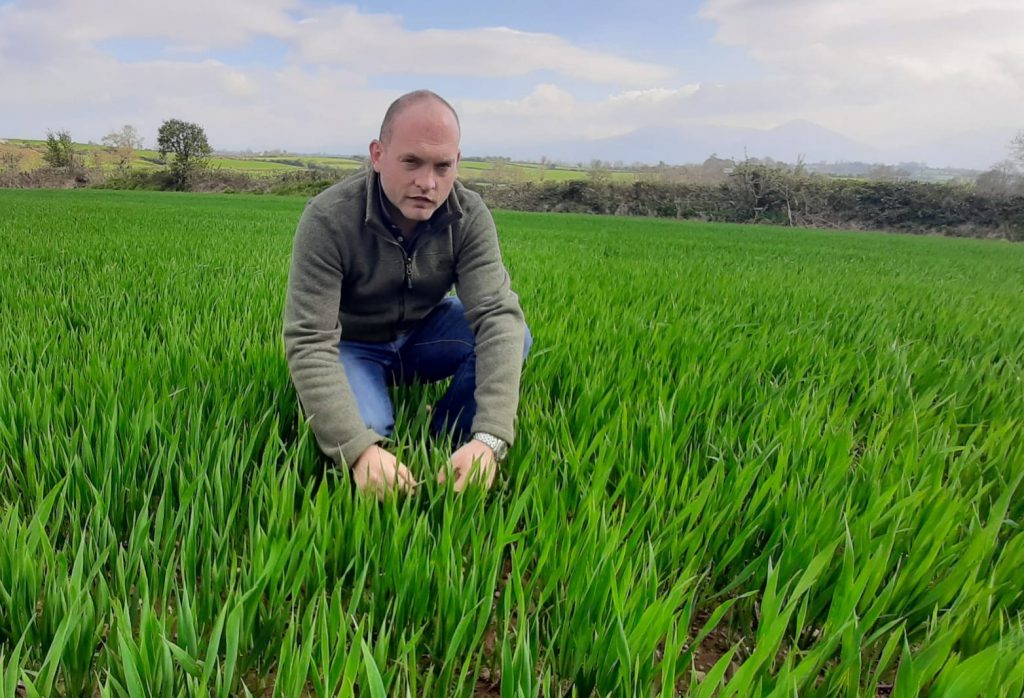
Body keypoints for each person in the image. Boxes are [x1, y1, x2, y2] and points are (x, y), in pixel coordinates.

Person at [283, 90, 531, 497]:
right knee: (368, 435)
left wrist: (490, 439)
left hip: (422, 335)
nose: (427, 183)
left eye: (442, 166)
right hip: (353, 344)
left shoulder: (468, 217)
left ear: (457, 163)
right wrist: (359, 450)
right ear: (378, 155)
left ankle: (449, 439)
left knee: (513, 332)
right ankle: (372, 431)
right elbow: (309, 339)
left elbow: (497, 317)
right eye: (411, 162)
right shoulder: (328, 218)